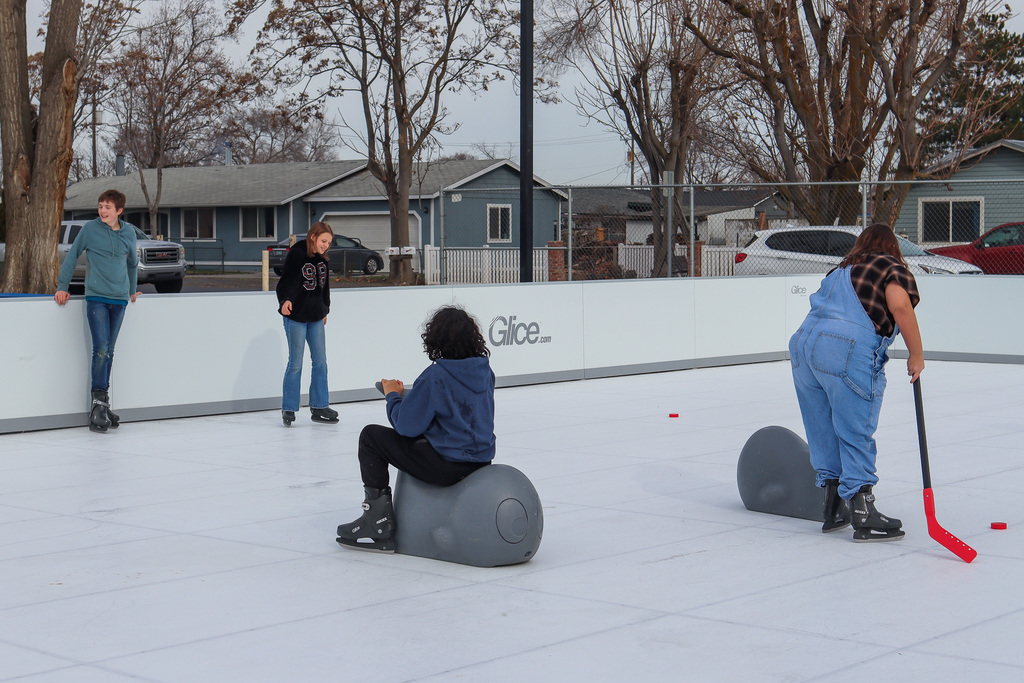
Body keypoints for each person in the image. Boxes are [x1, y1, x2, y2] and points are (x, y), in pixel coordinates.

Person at [789, 223, 924, 543]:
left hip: (804, 349)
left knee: (822, 428)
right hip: (844, 351)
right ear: (892, 246)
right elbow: (900, 305)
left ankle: (834, 506)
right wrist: (916, 354)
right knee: (854, 427)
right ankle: (863, 510)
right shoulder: (886, 265)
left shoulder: (840, 270)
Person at [336, 306, 496, 552]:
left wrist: (392, 396)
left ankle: (377, 521)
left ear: (435, 339)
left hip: (448, 466)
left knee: (371, 437)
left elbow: (406, 426)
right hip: (481, 463)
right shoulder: (485, 373)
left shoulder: (436, 376)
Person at [54, 189, 141, 433]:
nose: (102, 211)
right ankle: (98, 405)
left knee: (109, 351)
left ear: (119, 211)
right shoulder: (90, 230)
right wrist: (62, 287)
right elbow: (71, 257)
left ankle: (103, 404)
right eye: (100, 206)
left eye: (108, 207)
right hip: (97, 298)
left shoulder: (129, 233)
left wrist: (132, 290)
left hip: (120, 300)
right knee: (101, 349)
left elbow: (132, 263)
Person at [277, 222, 339, 427]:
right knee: (295, 363)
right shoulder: (297, 254)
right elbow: (287, 281)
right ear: (313, 237)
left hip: (315, 317)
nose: (326, 245)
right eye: (323, 241)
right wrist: (285, 299)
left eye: (329, 242)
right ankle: (289, 408)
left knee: (321, 362)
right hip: (296, 316)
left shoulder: (322, 258)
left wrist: (325, 308)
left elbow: (324, 286)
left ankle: (319, 406)